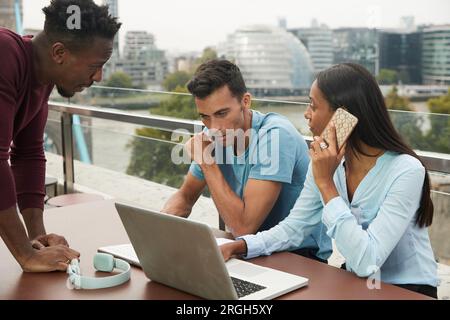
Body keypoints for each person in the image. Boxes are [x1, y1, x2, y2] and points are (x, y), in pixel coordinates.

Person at [220, 63, 438, 298]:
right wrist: (241, 246)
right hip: (357, 282)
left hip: (408, 289)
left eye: (313, 105)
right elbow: (294, 228)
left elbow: (368, 261)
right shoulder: (328, 162)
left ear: (342, 116)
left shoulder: (406, 170)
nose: (306, 113)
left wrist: (326, 184)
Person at [162, 59, 331, 263]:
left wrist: (207, 162)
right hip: (246, 251)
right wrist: (155, 233)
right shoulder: (215, 135)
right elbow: (185, 197)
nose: (213, 127)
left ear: (245, 101)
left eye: (222, 113)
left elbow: (243, 228)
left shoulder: (275, 136)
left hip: (298, 257)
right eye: (205, 117)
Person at [0, 0, 121, 272]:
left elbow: (29, 154)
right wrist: (25, 254)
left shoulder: (41, 78)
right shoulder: (4, 52)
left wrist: (37, 240)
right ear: (59, 53)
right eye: (96, 65)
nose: (99, 77)